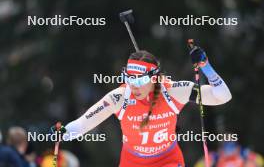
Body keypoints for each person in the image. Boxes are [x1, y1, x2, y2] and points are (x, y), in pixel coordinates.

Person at [51, 47, 232, 167]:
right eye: (129, 79)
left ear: (154, 78)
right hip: (132, 162)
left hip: (167, 160)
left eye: (140, 80)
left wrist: (205, 66)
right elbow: (82, 125)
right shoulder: (119, 98)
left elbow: (222, 96)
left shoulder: (174, 92)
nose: (134, 86)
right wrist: (63, 131)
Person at [194, 141, 264, 167]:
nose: (229, 152)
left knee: (250, 164)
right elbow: (198, 165)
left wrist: (248, 154)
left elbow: (260, 162)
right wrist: (210, 157)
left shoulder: (242, 154)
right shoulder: (217, 156)